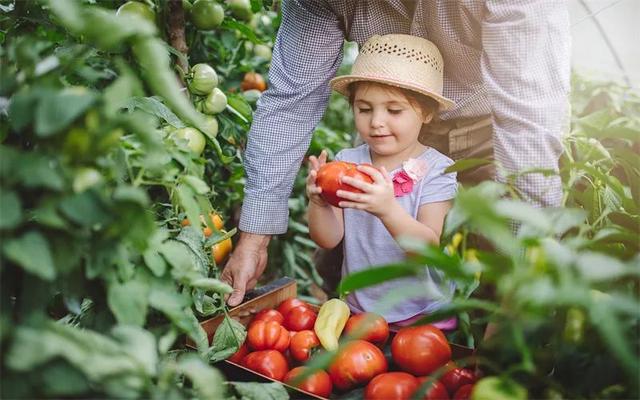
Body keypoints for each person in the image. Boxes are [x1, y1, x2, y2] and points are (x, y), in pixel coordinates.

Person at [221, 0, 570, 306]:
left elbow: (528, 122)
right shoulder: (366, 146)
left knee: (499, 265)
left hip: (489, 129)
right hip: (394, 134)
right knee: (343, 260)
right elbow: (291, 104)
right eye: (363, 108)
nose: (374, 120)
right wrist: (254, 238)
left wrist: (521, 285)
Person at [306, 34, 458, 327]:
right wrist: (319, 203)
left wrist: (387, 209)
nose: (376, 121)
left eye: (394, 110)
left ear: (426, 112)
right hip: (360, 310)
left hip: (422, 316)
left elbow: (426, 248)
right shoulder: (347, 161)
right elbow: (328, 239)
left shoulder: (437, 169)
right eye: (364, 109)